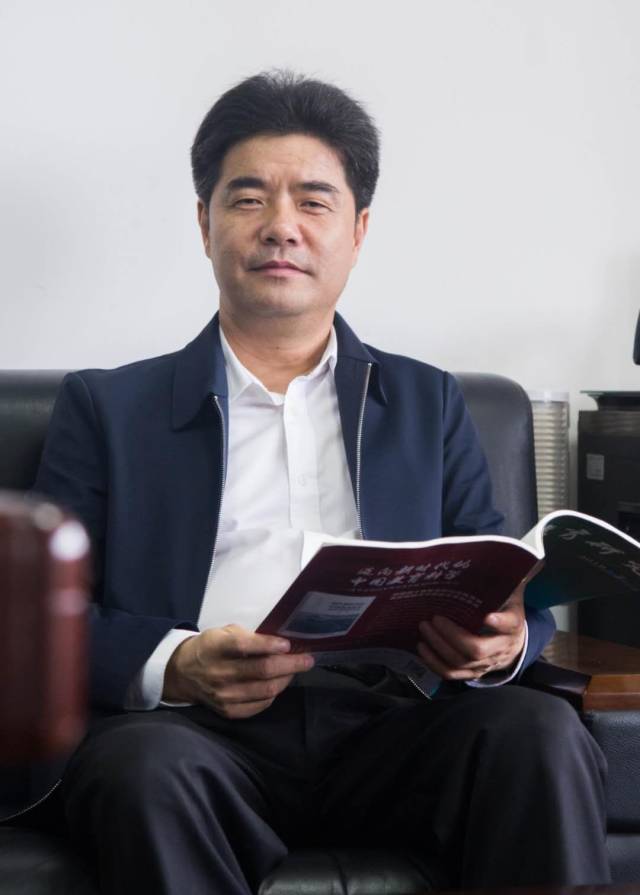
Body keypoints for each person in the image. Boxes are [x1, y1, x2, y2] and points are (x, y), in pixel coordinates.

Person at [30, 71, 610, 893]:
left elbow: (504, 580)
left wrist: (503, 641)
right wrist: (175, 661)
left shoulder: (430, 401)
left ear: (358, 229)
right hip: (198, 731)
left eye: (313, 201)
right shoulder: (107, 408)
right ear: (203, 223)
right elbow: (42, 623)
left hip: (397, 727)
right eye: (248, 199)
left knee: (538, 733)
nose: (281, 226)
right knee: (141, 767)